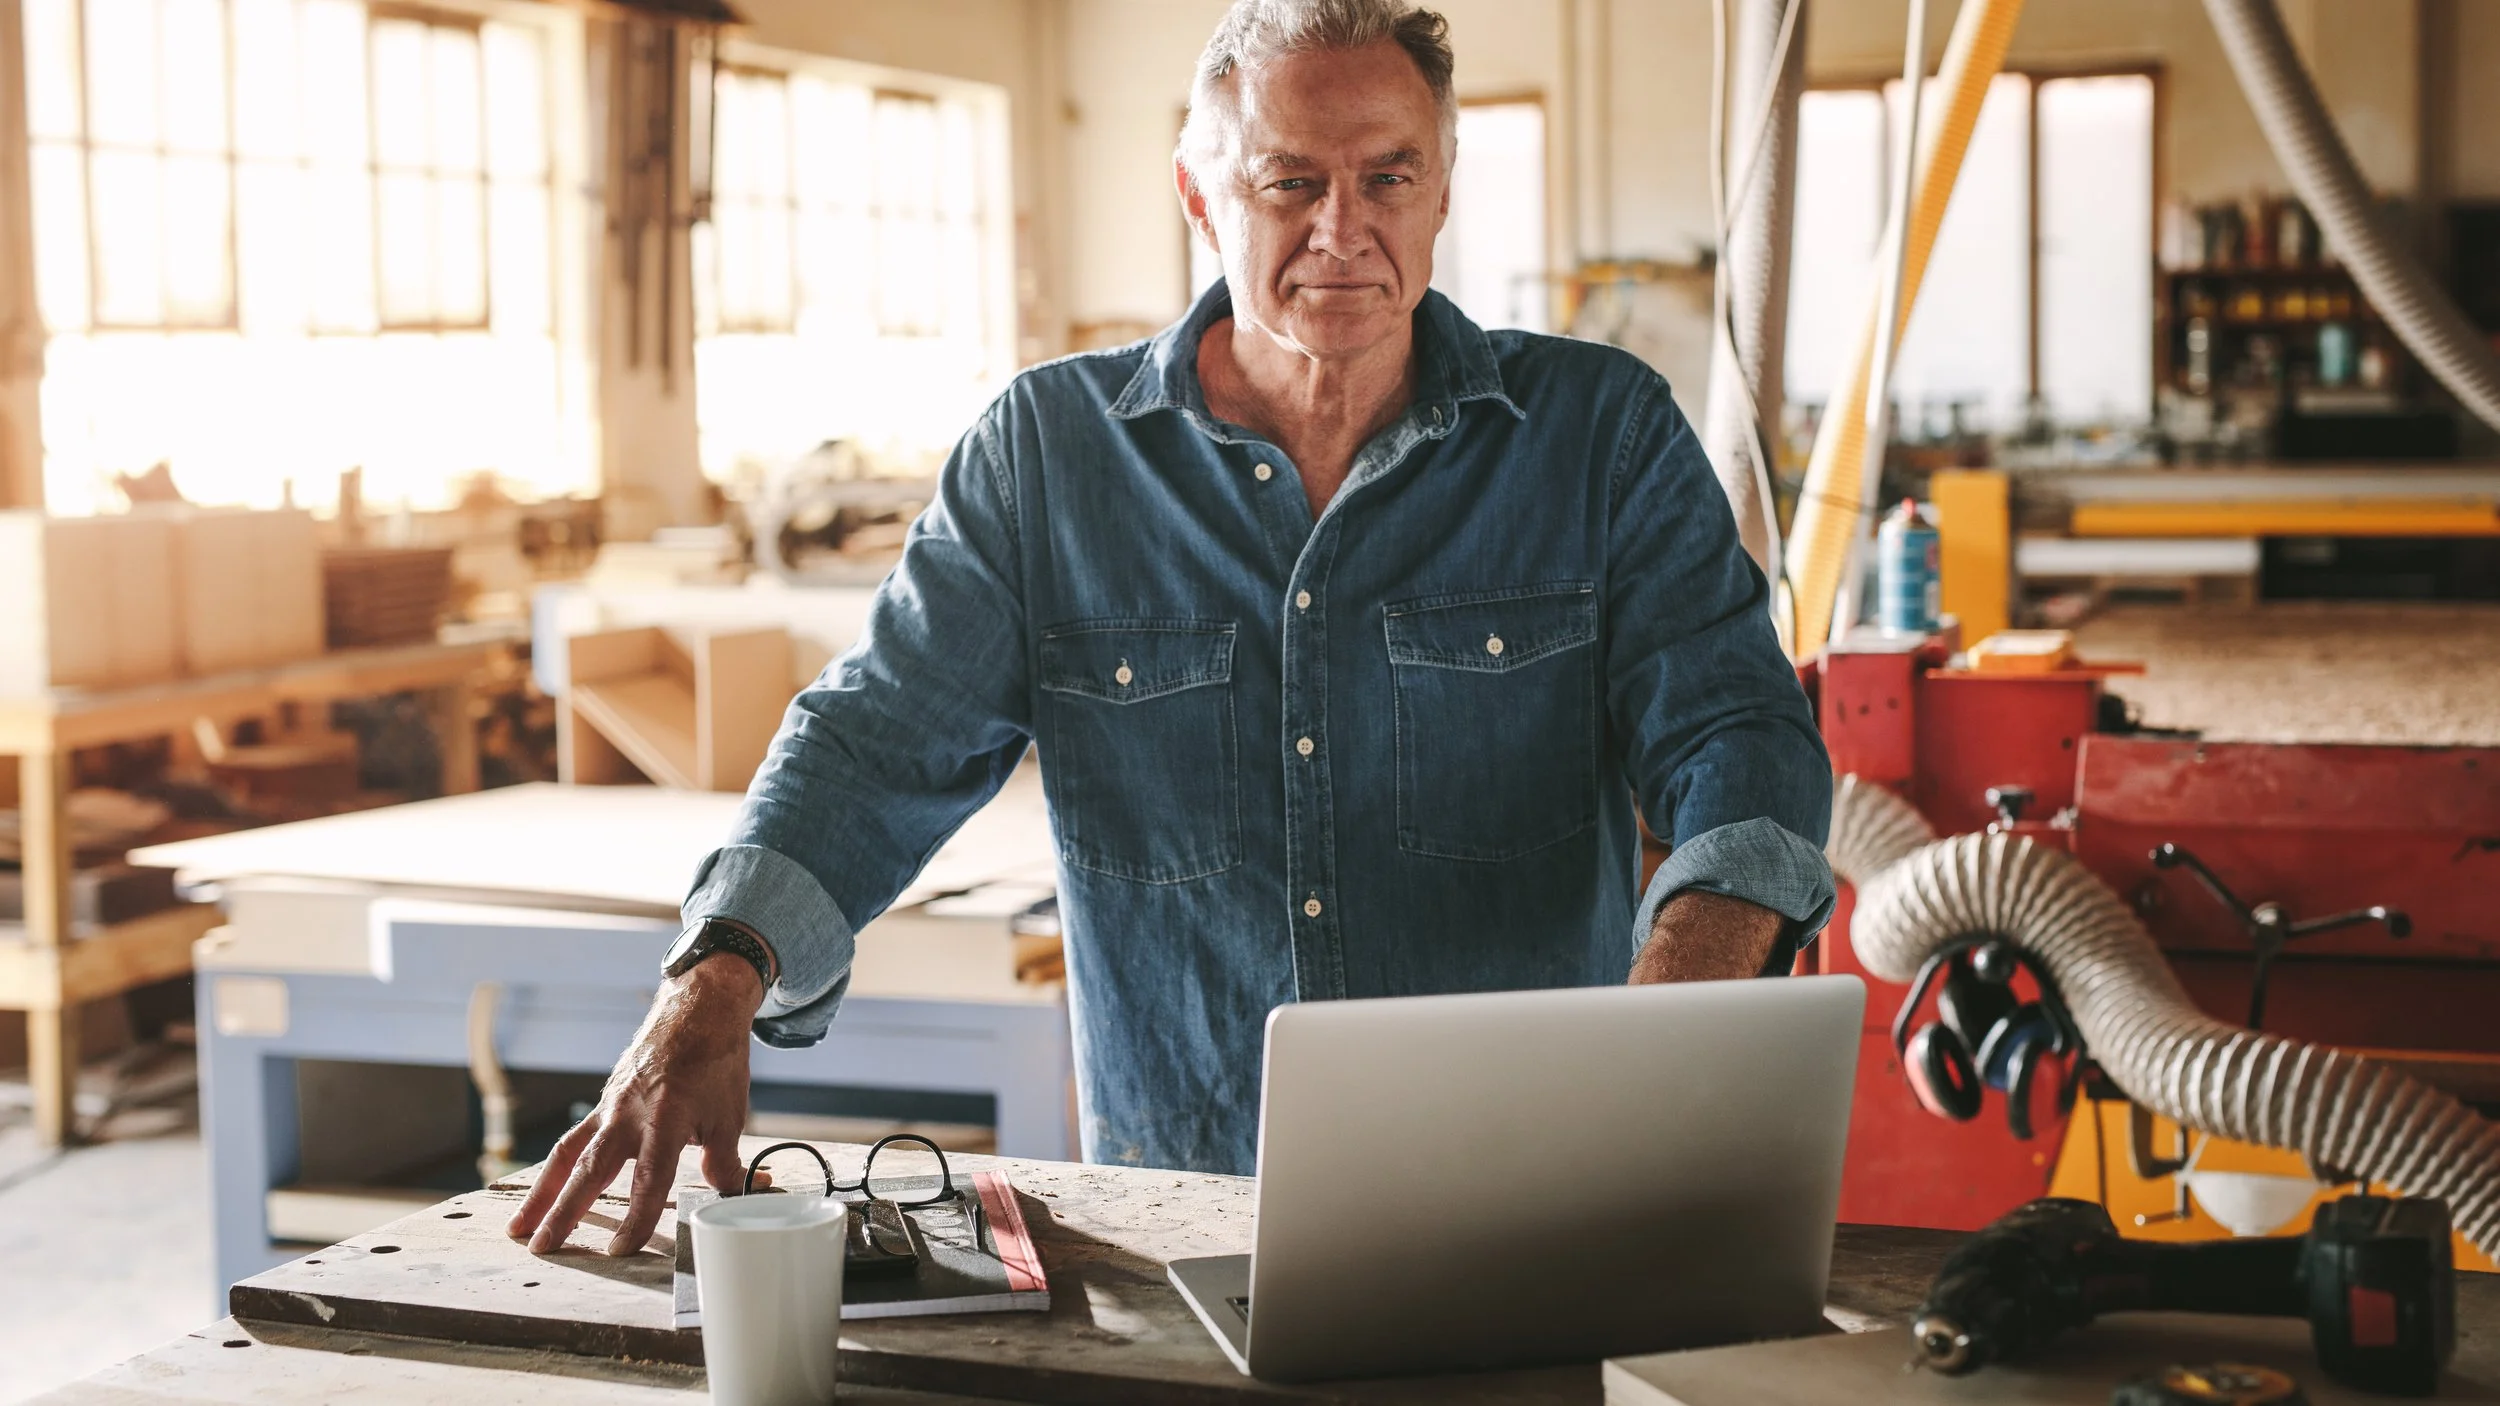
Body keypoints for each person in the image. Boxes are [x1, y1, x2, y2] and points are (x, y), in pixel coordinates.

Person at [511, 0, 1834, 1259]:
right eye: (1288, 183)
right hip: (1182, 1215)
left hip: (1542, 1194)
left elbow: (1741, 733)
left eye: (1387, 178)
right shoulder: (1047, 459)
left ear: (1441, 191)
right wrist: (714, 974)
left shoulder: (1598, 436)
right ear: (1199, 194)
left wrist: (1674, 1025)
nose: (1341, 229)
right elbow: (875, 742)